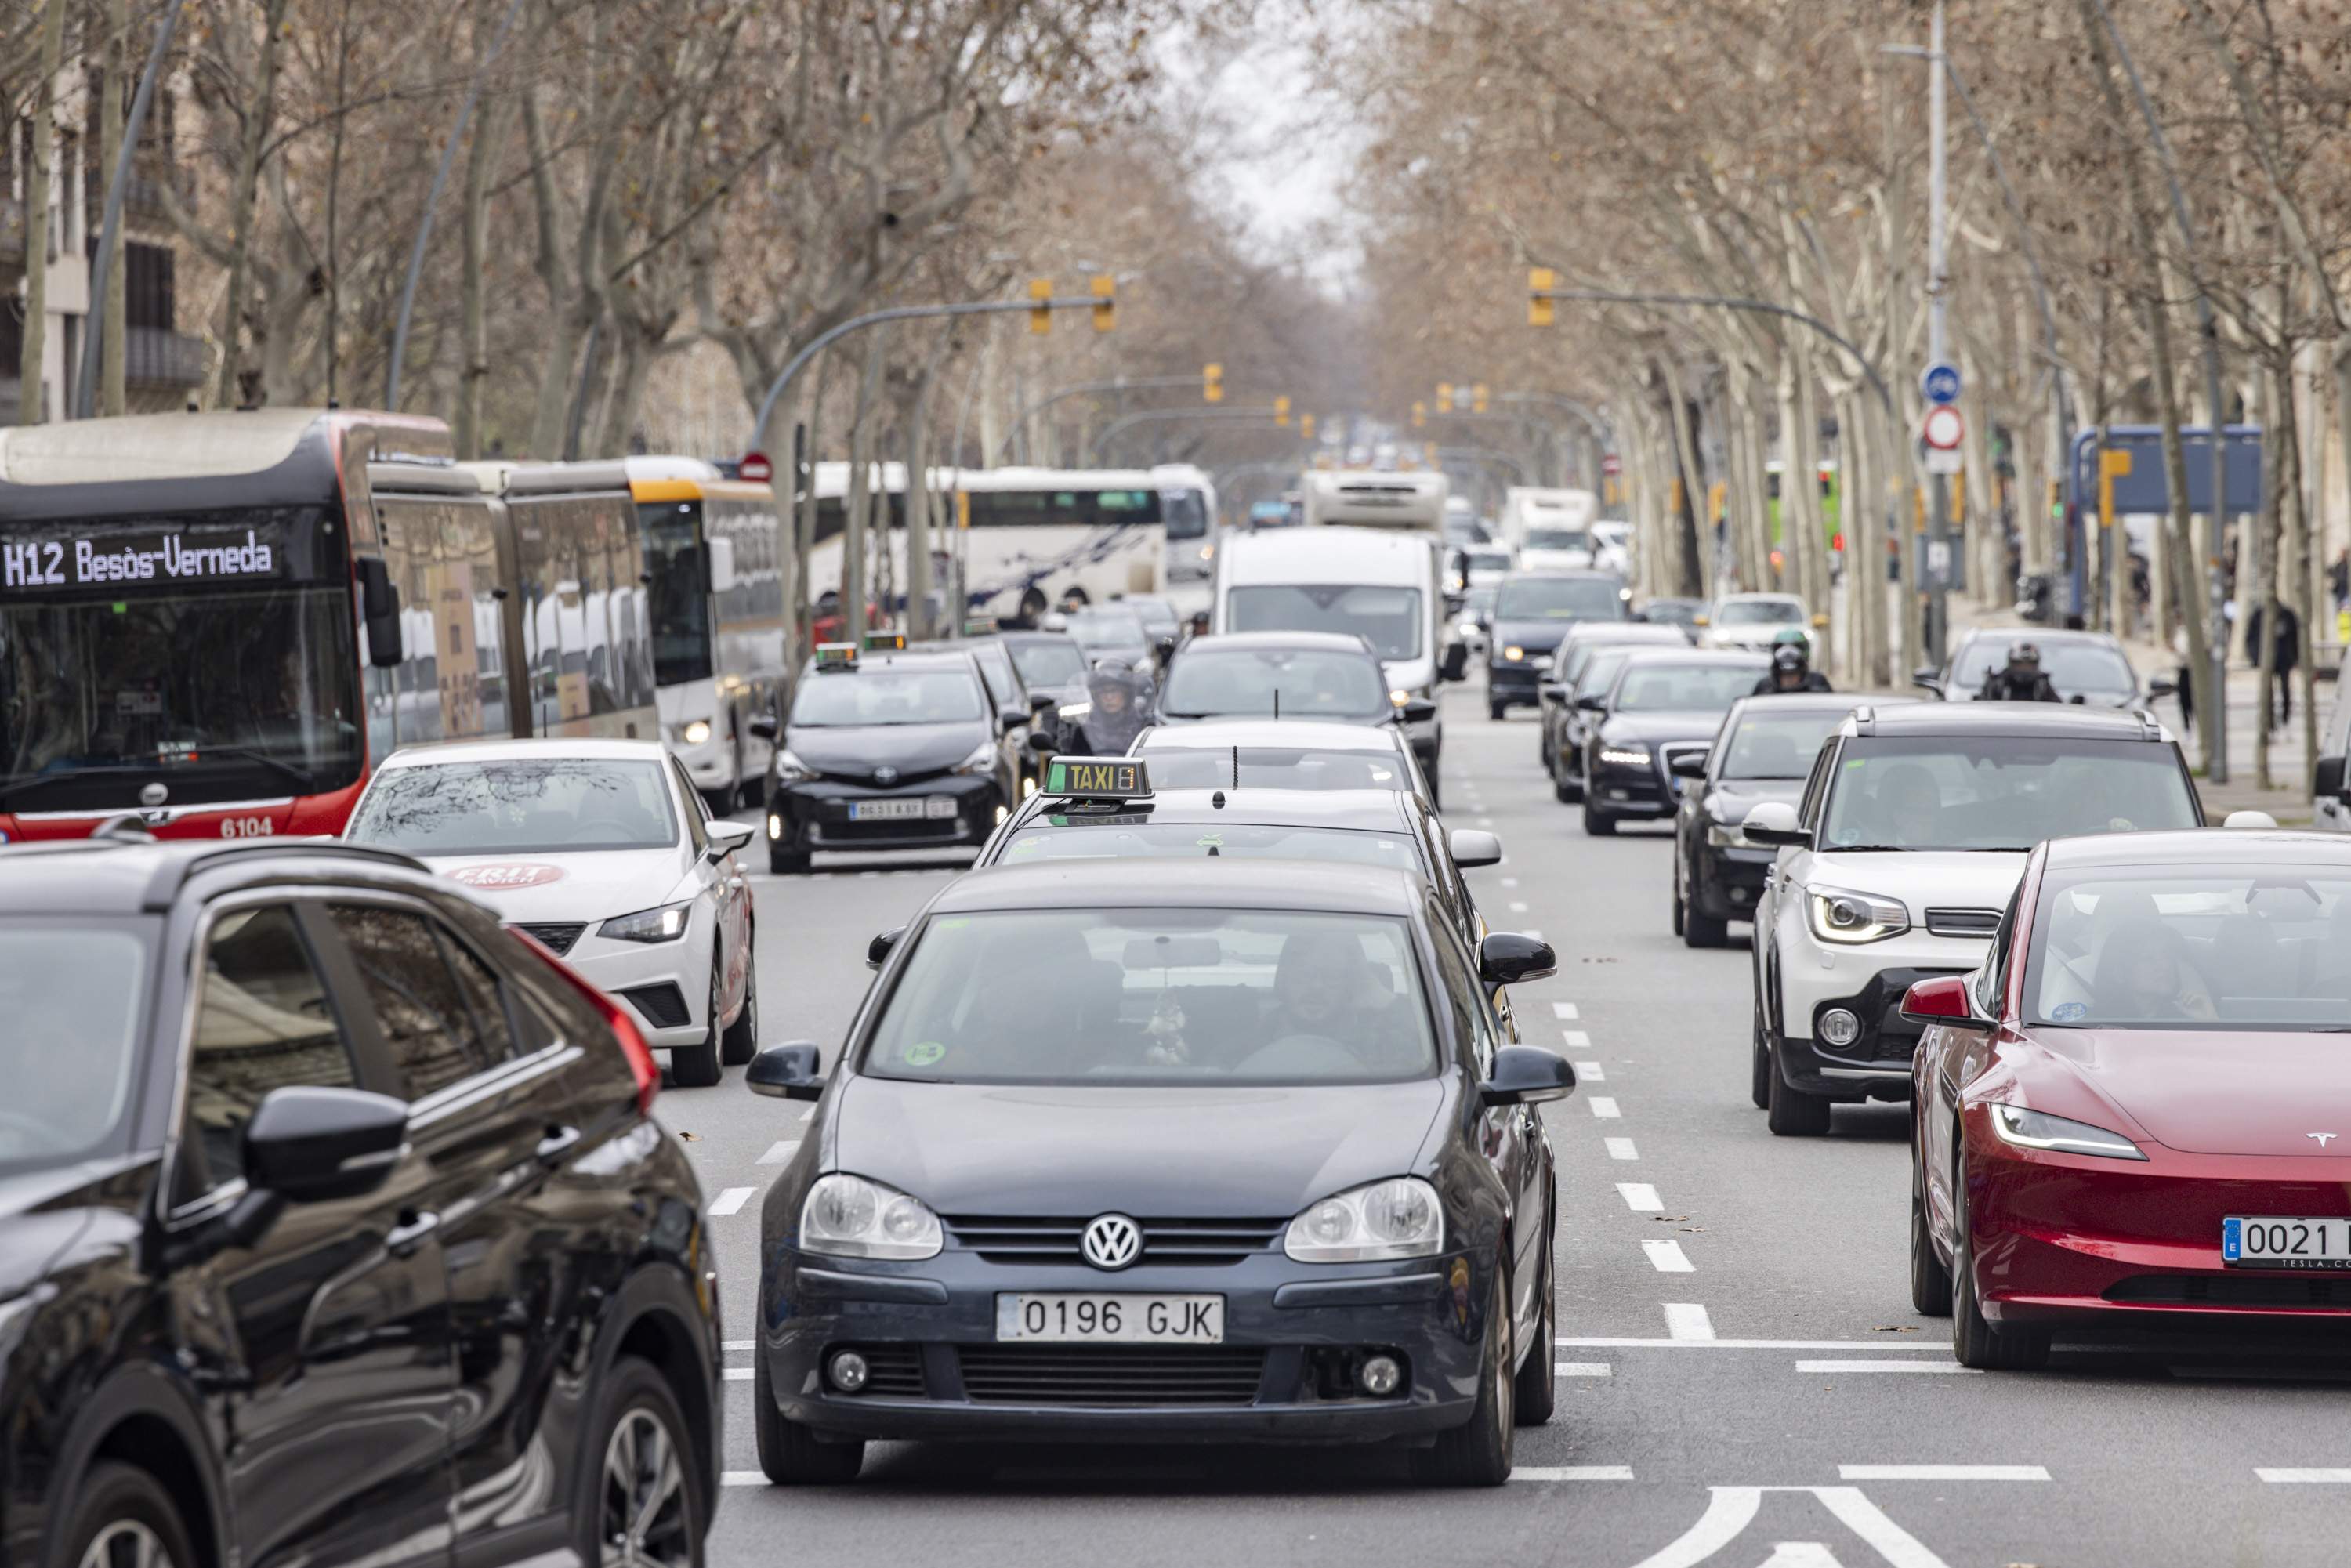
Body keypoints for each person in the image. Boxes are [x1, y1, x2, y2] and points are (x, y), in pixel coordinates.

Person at [2089, 918, 2216, 1023]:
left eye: (2166, 955)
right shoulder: (2094, 1025)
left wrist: (2210, 1021)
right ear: (2119, 973)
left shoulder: (2187, 1014)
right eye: (2147, 958)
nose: (2165, 965)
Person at [1052, 657, 1155, 755]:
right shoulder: (1083, 731)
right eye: (1103, 691)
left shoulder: (1143, 728)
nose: (1109, 697)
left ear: (1128, 694)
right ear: (1095, 695)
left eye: (1114, 691)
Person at [2244, 599, 2301, 730]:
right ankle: (2269, 720)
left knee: (2285, 689)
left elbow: (2295, 637)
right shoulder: (2258, 615)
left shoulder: (2287, 615)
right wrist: (2255, 657)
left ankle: (2285, 717)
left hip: (2284, 659)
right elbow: (2250, 637)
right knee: (2267, 691)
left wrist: (2295, 657)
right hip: (2266, 659)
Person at [1976, 640, 2060, 702]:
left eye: (2029, 665)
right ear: (2011, 663)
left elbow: (2056, 710)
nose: (2024, 669)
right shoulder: (1997, 684)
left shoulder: (2042, 685)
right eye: (2019, 664)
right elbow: (1984, 711)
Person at [1751, 634, 1831, 695]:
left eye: (1793, 674)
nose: (1789, 679)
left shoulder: (1818, 685)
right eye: (1785, 675)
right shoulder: (1764, 690)